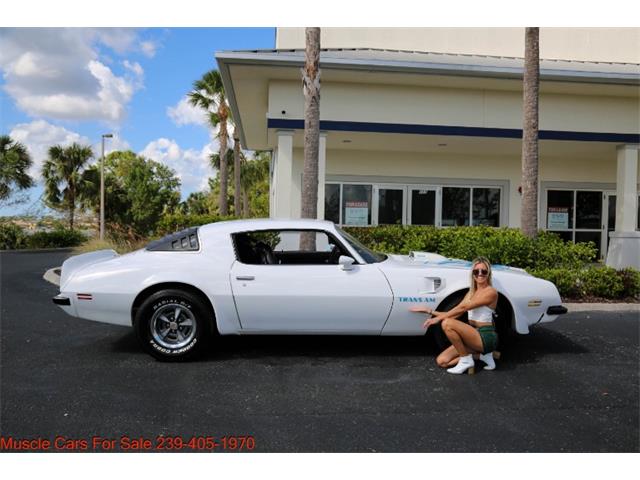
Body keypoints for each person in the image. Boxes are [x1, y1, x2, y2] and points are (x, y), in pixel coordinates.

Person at [410, 256, 499, 375]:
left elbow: (463, 307)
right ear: (472, 274)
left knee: (447, 323)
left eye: (484, 271)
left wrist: (438, 319)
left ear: (488, 274)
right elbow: (455, 313)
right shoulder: (471, 292)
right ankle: (481, 357)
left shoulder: (491, 292)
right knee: (442, 361)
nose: (480, 274)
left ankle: (466, 360)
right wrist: (429, 311)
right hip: (472, 336)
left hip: (485, 337)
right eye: (476, 271)